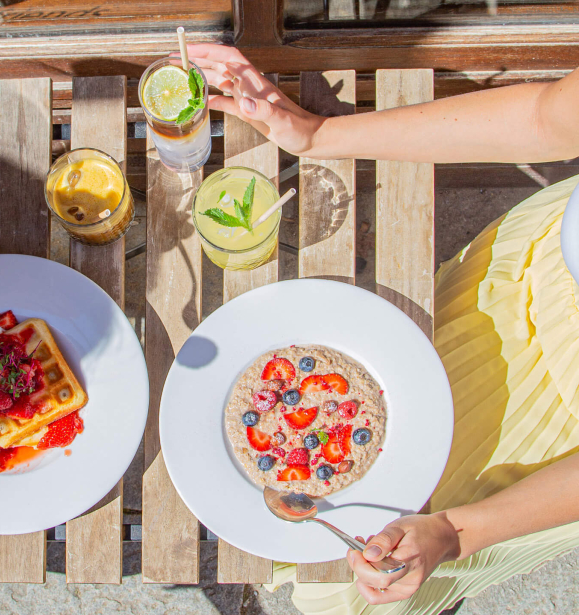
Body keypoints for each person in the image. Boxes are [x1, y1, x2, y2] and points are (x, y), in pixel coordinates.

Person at [185, 43, 579, 614]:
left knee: (377, 579)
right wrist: (318, 135)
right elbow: (546, 118)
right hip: (524, 275)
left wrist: (454, 532)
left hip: (552, 422)